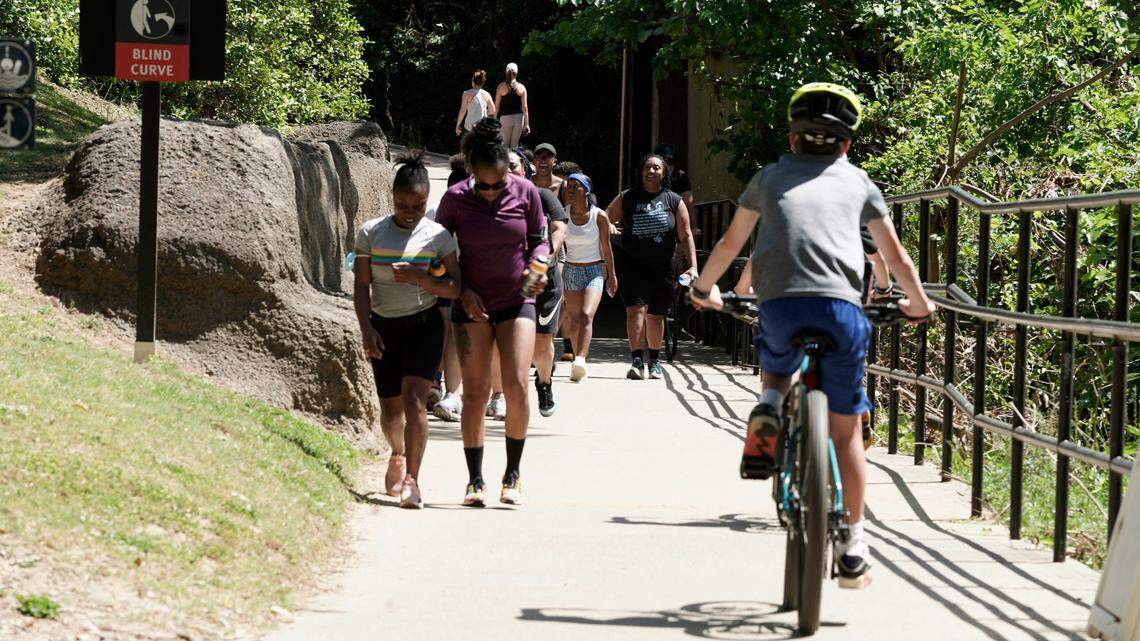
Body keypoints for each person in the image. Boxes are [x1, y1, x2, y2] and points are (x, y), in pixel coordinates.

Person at [689, 82, 934, 588]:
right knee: (846, 435)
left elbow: (733, 241)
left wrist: (703, 288)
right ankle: (852, 544)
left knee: (776, 368)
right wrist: (919, 303)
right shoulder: (861, 184)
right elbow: (896, 258)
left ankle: (771, 407)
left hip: (779, 303)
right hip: (841, 309)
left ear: (792, 138)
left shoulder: (769, 177)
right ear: (848, 143)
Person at [435, 118, 549, 507]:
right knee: (475, 393)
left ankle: (513, 474)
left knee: (516, 384)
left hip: (518, 301)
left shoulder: (527, 192)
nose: (492, 191)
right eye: (484, 184)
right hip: (472, 304)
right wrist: (462, 289)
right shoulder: (454, 201)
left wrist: (536, 274)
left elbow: (539, 243)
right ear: (470, 171)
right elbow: (438, 253)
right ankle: (475, 480)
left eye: (499, 183)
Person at [353, 152, 461, 509]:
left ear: (427, 200)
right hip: (384, 326)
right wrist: (367, 329)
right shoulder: (371, 233)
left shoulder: (438, 237)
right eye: (402, 204)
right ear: (392, 197)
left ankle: (413, 479)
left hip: (424, 325)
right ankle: (397, 453)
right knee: (390, 411)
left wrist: (422, 277)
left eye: (418, 205)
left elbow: (455, 288)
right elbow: (361, 286)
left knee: (416, 401)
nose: (410, 211)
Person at [606, 153, 698, 380]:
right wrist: (610, 228)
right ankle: (637, 361)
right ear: (641, 171)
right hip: (633, 263)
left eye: (657, 168)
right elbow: (605, 217)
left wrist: (693, 266)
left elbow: (685, 235)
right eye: (647, 167)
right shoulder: (628, 197)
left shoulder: (674, 200)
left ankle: (654, 362)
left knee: (656, 316)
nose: (651, 171)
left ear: (664, 172)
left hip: (663, 266)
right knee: (635, 310)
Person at [508, 150, 568, 415]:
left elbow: (560, 227)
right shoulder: (490, 199)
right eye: (503, 165)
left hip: (544, 277)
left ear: (524, 170)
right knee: (508, 339)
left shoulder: (541, 195)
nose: (508, 171)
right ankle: (503, 394)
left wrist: (547, 255)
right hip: (507, 278)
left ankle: (544, 383)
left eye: (513, 166)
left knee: (543, 343)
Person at [561, 173, 617, 382]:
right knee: (574, 321)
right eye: (569, 186)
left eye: (576, 186)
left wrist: (612, 275)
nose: (571, 190)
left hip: (594, 270)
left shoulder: (599, 216)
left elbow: (606, 248)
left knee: (586, 314)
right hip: (571, 270)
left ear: (587, 191)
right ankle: (577, 360)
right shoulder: (563, 215)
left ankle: (581, 359)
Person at [431, 167, 472, 423]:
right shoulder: (438, 209)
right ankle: (445, 389)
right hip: (445, 281)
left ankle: (483, 394)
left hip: (477, 280)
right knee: (446, 330)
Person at [495, 63, 530, 148]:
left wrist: (494, 120)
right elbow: (524, 107)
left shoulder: (501, 87)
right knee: (514, 146)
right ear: (517, 72)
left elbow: (496, 106)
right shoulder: (522, 87)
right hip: (519, 118)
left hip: (505, 118)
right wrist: (527, 124)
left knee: (504, 146)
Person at [455, 69, 496, 137]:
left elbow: (462, 111)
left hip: (469, 127)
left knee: (468, 147)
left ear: (473, 81)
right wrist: (484, 113)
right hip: (482, 127)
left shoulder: (466, 94)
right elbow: (493, 110)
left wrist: (457, 125)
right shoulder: (487, 94)